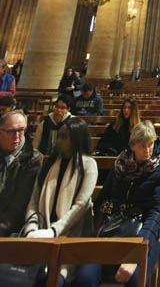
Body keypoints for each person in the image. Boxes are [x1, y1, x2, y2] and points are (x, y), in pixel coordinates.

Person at [74, 120, 160, 287]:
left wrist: (139, 249)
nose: (148, 150)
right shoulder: (120, 164)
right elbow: (102, 198)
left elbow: (157, 212)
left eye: (150, 145)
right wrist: (103, 218)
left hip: (143, 232)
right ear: (132, 145)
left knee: (135, 281)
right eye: (142, 146)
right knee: (85, 278)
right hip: (111, 229)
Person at [23, 117, 98, 285]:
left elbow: (80, 206)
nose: (59, 141)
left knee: (56, 278)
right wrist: (31, 227)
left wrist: (53, 232)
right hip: (40, 232)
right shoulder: (49, 163)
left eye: (64, 137)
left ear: (76, 139)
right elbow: (34, 201)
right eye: (59, 136)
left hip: (69, 237)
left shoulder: (88, 165)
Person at [0, 109, 41, 236]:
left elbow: (18, 207)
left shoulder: (32, 159)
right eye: (11, 131)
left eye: (21, 130)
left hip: (11, 230)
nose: (17, 136)